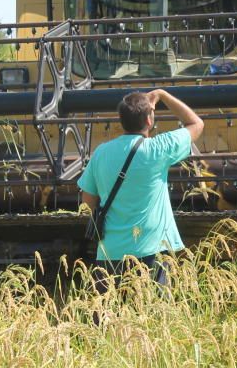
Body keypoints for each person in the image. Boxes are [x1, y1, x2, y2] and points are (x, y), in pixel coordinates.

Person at [78, 89, 204, 290]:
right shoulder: (158, 149)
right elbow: (196, 124)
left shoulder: (101, 153)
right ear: (148, 121)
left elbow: (88, 201)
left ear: (122, 121)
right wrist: (162, 95)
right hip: (151, 252)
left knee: (109, 318)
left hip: (110, 253)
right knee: (152, 316)